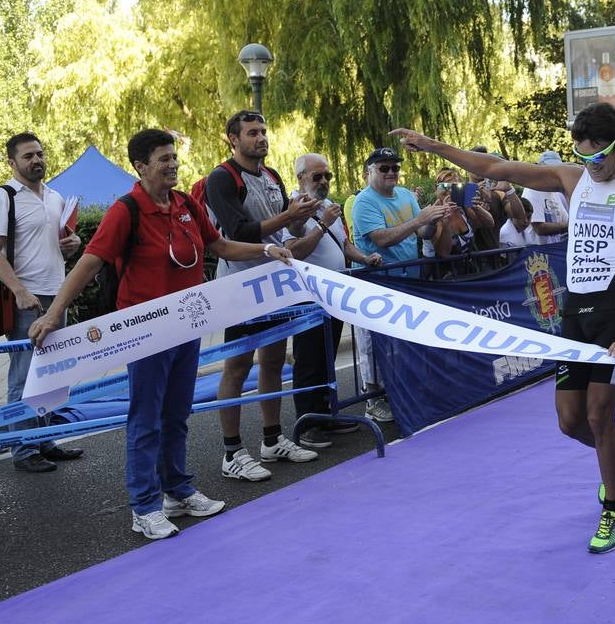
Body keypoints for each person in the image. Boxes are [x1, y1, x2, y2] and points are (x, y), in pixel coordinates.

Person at [389, 102, 615, 554]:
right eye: (583, 156)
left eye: (599, 156)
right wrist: (434, 146)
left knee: (601, 416)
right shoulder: (571, 178)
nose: (592, 166)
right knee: (569, 422)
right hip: (574, 312)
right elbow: (494, 165)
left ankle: (613, 508)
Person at [27, 128, 295, 539]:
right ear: (140, 166)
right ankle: (145, 506)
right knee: (146, 420)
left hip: (186, 327)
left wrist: (266, 250)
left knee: (176, 414)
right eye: (163, 159)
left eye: (174, 157)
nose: (172, 164)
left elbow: (220, 247)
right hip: (146, 332)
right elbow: (90, 263)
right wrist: (53, 313)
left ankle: (178, 490)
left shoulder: (186, 203)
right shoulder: (126, 210)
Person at [206, 111, 322, 482]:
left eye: (263, 131)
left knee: (273, 362)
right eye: (252, 132)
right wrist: (288, 216)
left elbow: (281, 227)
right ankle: (231, 451)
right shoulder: (222, 178)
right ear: (232, 139)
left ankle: (272, 441)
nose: (261, 138)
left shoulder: (271, 176)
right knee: (237, 367)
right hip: (241, 285)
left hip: (276, 282)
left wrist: (302, 217)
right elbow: (242, 230)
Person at [0, 132, 84, 473]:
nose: (36, 160)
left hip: (57, 294)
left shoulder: (54, 196)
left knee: (52, 373)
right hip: (25, 300)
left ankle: (46, 439)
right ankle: (24, 451)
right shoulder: (2, 197)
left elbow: (58, 244)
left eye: (39, 153)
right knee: (24, 376)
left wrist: (72, 245)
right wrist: (20, 291)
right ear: (12, 163)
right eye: (27, 156)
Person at [286, 153, 382, 449]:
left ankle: (329, 414)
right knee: (309, 361)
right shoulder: (292, 209)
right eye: (318, 177)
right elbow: (295, 251)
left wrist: (364, 258)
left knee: (327, 358)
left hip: (335, 294)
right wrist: (322, 225)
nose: (325, 181)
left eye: (327, 176)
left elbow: (345, 245)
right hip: (308, 298)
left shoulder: (329, 206)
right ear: (301, 178)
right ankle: (308, 423)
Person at [351, 147, 454, 422]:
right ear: (370, 171)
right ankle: (372, 398)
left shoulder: (407, 195)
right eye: (383, 168)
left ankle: (401, 390)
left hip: (407, 279)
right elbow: (382, 239)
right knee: (372, 344)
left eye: (395, 167)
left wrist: (434, 220)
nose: (391, 172)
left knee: (403, 340)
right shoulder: (364, 201)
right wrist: (420, 219)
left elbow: (423, 233)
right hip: (375, 283)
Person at [522, 150, 570, 244]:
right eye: (549, 168)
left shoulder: (554, 191)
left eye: (557, 169)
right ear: (539, 167)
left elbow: (566, 220)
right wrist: (569, 226)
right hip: (539, 255)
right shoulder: (532, 190)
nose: (553, 172)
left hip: (553, 252)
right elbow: (540, 228)